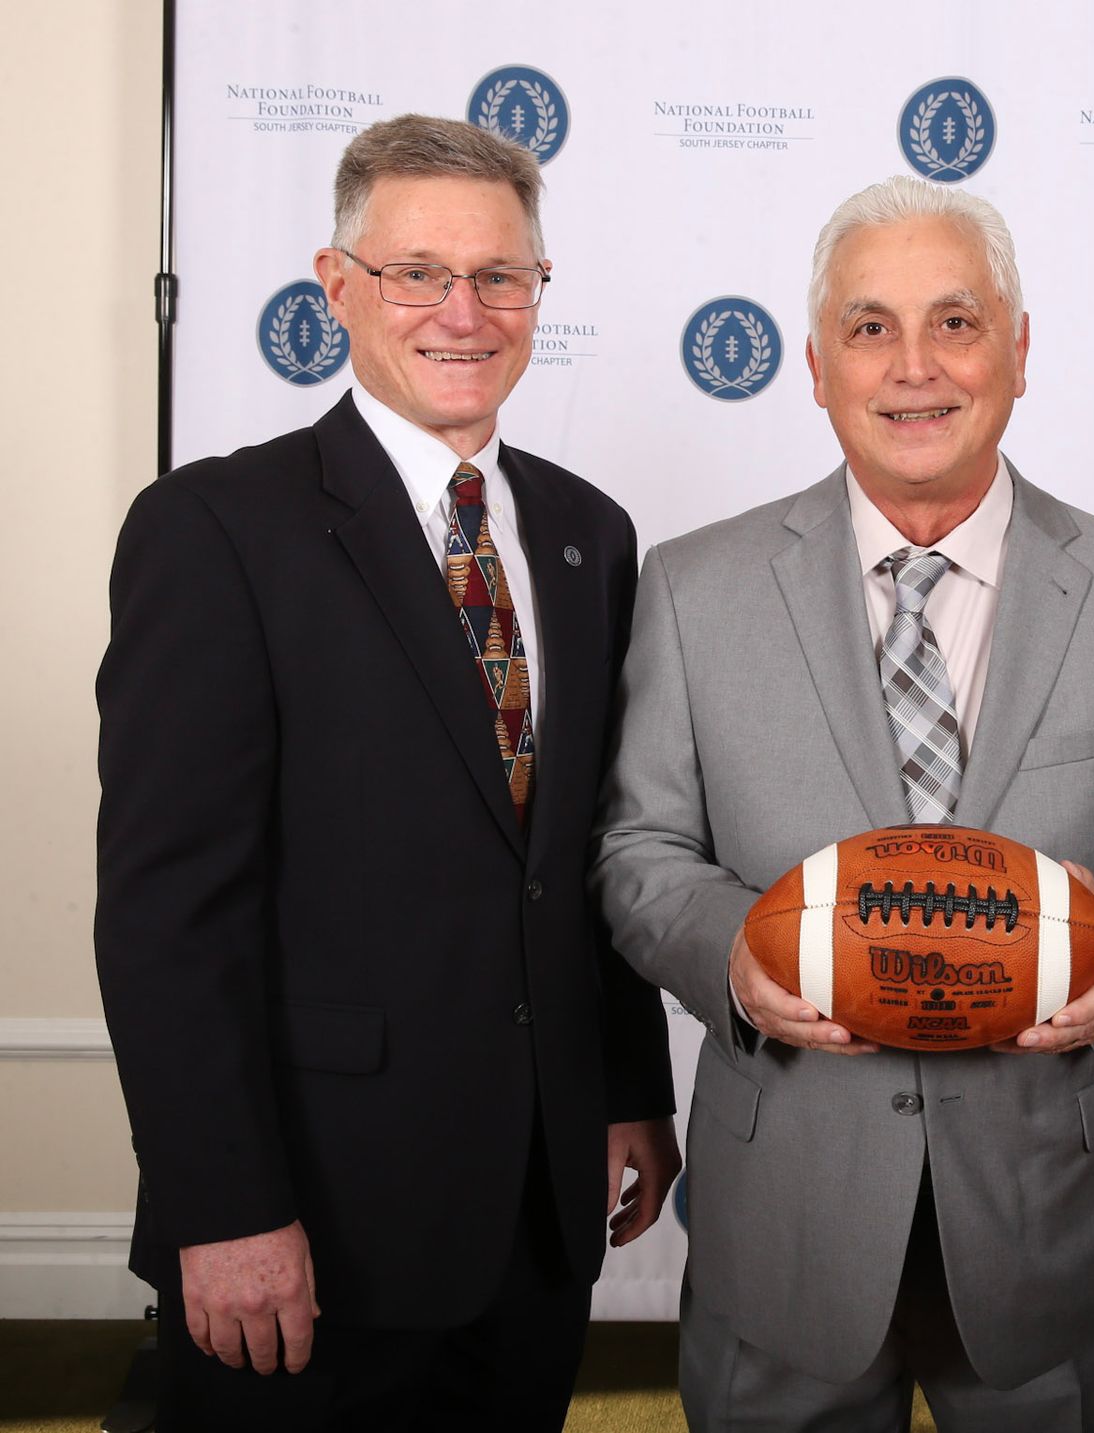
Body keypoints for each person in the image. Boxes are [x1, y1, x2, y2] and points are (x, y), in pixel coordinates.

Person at [592, 174, 1094, 1432]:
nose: (915, 366)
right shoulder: (694, 588)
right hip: (790, 1215)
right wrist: (735, 953)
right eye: (871, 327)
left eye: (958, 320)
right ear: (817, 364)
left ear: (1021, 351)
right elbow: (638, 846)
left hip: (1051, 1210)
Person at [95, 114, 680, 1432]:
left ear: (537, 293)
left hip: (538, 1211)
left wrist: (631, 1091)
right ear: (338, 285)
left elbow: (587, 854)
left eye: (500, 276)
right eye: (417, 272)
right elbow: (166, 918)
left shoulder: (589, 534)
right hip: (310, 1226)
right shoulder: (216, 532)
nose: (461, 312)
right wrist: (225, 1206)